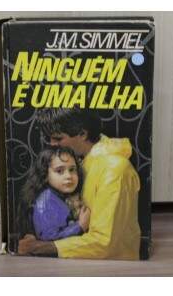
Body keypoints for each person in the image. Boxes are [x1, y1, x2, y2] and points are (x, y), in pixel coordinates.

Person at [19, 107, 141, 260]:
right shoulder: (82, 161)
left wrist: (40, 247)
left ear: (83, 134)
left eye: (58, 139)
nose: (52, 145)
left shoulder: (114, 170)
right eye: (49, 139)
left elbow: (105, 242)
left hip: (112, 266)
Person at [19, 146, 91, 241]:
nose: (68, 176)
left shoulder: (63, 195)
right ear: (45, 175)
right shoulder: (45, 201)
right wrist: (80, 226)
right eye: (59, 171)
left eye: (72, 170)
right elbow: (48, 238)